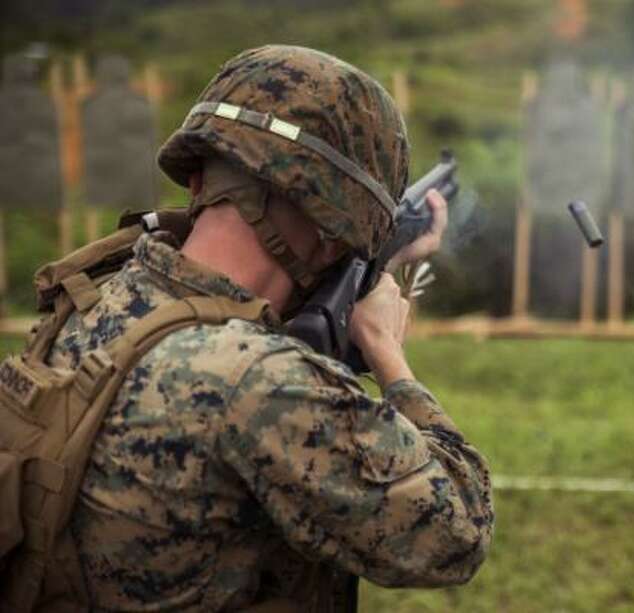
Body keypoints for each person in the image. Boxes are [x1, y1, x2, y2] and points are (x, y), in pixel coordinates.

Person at [47, 45, 494, 611]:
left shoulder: (97, 299)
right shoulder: (261, 383)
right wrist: (384, 349)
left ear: (199, 179)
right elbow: (457, 533)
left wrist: (376, 265)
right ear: (331, 224)